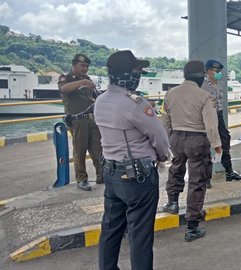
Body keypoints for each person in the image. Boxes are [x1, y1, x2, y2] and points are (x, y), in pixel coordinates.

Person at [94, 50, 170, 270]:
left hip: (111, 171)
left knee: (110, 227)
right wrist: (163, 157)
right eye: (137, 71)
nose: (139, 75)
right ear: (127, 74)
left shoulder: (100, 101)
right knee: (140, 234)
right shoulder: (135, 103)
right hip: (138, 176)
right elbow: (160, 138)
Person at [161, 60, 222, 242]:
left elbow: (165, 121)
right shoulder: (205, 96)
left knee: (176, 169)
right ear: (202, 76)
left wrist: (168, 141)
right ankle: (192, 225)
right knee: (197, 180)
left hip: (176, 138)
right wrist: (217, 146)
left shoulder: (170, 94)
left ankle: (172, 203)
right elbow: (211, 125)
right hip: (198, 140)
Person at [58, 53, 103, 191]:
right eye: (82, 65)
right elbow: (64, 89)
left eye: (87, 66)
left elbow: (97, 96)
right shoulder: (66, 78)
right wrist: (82, 83)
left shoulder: (87, 79)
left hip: (92, 119)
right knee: (80, 151)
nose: (85, 69)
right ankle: (82, 179)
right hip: (78, 120)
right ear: (74, 65)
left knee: (98, 150)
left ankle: (102, 175)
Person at [202, 60, 241, 186]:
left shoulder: (219, 84)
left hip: (218, 115)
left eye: (219, 71)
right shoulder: (202, 86)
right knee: (205, 145)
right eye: (216, 71)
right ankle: (205, 178)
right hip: (207, 116)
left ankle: (229, 172)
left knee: (225, 140)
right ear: (208, 71)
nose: (218, 73)